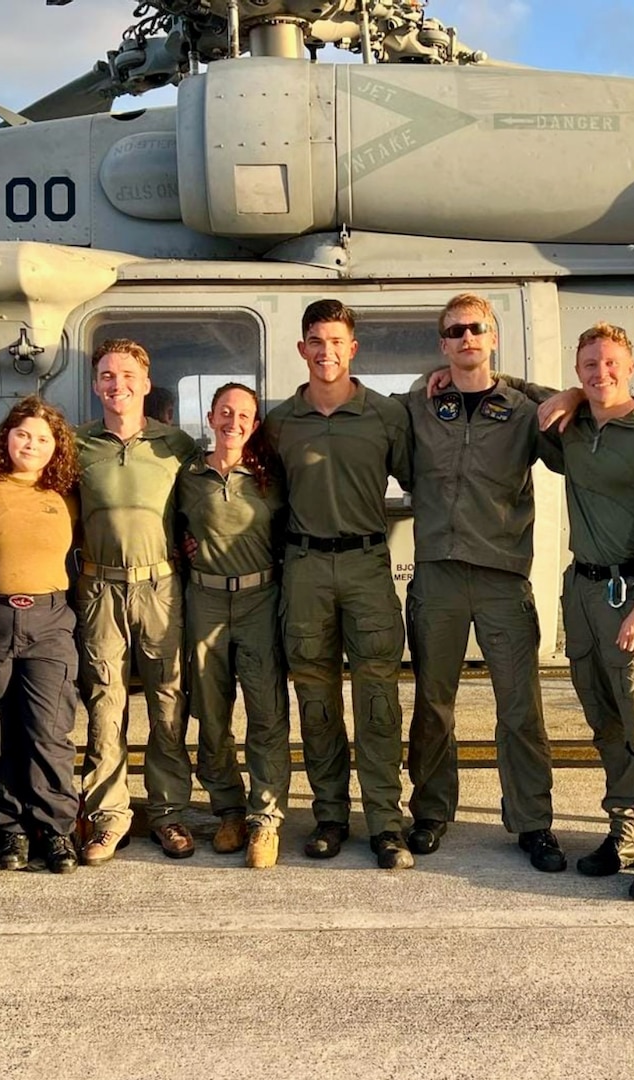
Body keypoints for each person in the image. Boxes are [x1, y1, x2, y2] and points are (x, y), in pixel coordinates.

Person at [396, 293, 565, 872]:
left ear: (492, 337)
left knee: (520, 707)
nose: (467, 339)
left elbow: (574, 430)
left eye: (477, 330)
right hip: (438, 575)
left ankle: (532, 822)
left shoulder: (520, 409)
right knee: (433, 704)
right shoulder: (421, 405)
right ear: (442, 343)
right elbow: (376, 425)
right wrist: (430, 379)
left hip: (501, 578)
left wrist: (526, 386)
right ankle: (431, 810)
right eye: (455, 332)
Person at [538, 323, 634, 901]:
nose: (599, 374)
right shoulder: (573, 428)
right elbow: (507, 392)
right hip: (582, 592)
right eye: (588, 366)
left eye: (609, 364)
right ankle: (623, 834)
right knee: (605, 725)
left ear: (629, 367)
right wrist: (570, 398)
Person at [263, 299, 415, 870]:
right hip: (303, 570)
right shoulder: (280, 422)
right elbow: (261, 500)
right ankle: (330, 815)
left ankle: (385, 822)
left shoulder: (384, 416)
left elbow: (424, 481)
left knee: (378, 699)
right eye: (315, 342)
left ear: (353, 348)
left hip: (367, 566)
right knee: (316, 698)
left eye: (336, 342)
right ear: (302, 349)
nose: (326, 352)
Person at [73, 339, 200, 864]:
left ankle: (169, 813)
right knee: (105, 701)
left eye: (127, 374)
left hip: (161, 588)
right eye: (105, 375)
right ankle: (108, 816)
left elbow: (204, 506)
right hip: (98, 587)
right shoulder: (75, 445)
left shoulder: (178, 445)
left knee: (168, 701)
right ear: (95, 383)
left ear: (147, 384)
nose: (116, 384)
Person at [0, 396, 83, 875]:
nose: (31, 444)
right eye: (23, 434)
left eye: (43, 438)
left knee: (48, 730)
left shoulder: (64, 495)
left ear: (57, 447)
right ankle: (10, 829)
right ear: (6, 436)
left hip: (50, 622)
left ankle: (55, 831)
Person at [176, 383, 291, 868]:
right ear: (209, 416)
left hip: (259, 599)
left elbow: (292, 533)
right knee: (211, 713)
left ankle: (265, 818)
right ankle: (228, 810)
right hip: (204, 600)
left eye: (244, 414)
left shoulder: (270, 477)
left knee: (266, 712)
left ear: (255, 422)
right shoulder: (188, 475)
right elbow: (169, 528)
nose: (234, 421)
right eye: (225, 412)